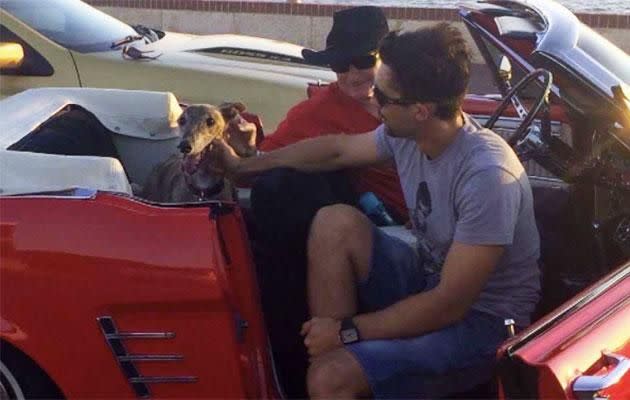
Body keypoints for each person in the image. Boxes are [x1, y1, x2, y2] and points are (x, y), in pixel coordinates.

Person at [211, 24, 541, 398]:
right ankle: (339, 368)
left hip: (482, 325)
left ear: (420, 110)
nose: (374, 101)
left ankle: (335, 376)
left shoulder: (486, 176)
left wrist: (347, 331)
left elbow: (450, 305)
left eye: (384, 96)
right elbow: (337, 150)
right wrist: (246, 165)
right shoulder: (410, 135)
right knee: (335, 222)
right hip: (430, 279)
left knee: (329, 379)